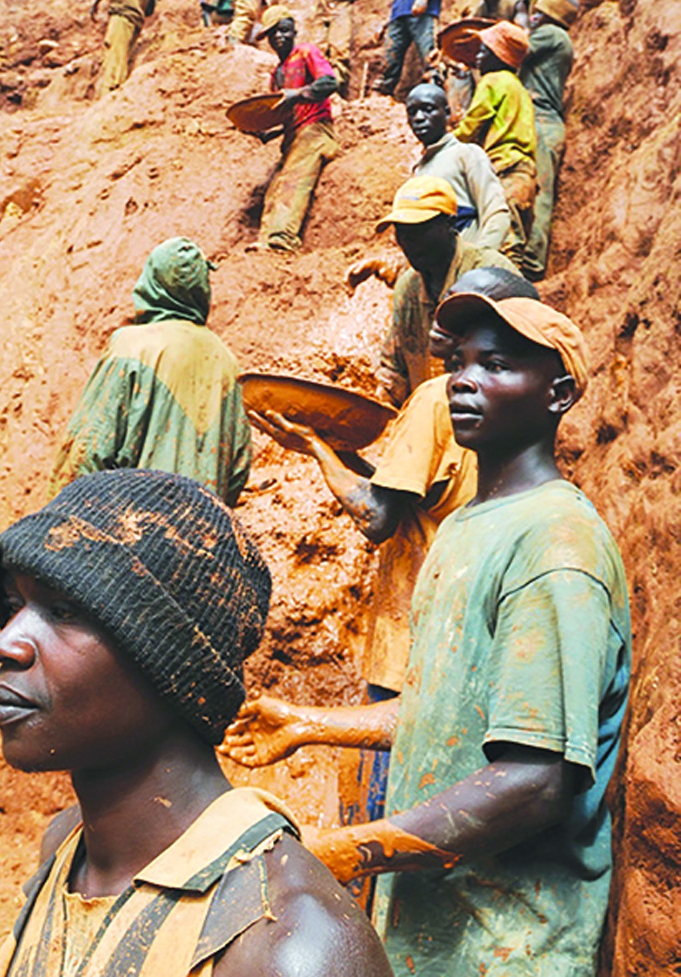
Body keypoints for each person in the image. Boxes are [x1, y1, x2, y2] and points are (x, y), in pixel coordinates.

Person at [224, 292, 630, 977]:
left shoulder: (557, 547)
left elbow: (535, 780)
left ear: (557, 394)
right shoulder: (468, 528)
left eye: (496, 364)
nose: (463, 380)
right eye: (458, 362)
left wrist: (346, 850)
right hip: (436, 934)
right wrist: (308, 722)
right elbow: (454, 711)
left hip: (509, 944)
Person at [0, 469, 394, 977]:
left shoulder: (289, 946)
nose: (5, 642)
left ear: (172, 665)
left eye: (63, 610)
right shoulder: (69, 854)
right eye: (14, 605)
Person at [238, 266, 540, 826]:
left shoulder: (436, 398)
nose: (442, 313)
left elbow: (377, 515)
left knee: (384, 817)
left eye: (465, 311)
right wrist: (335, 453)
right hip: (467, 647)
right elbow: (407, 493)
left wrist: (314, 449)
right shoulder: (508, 411)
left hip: (410, 648)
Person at [50, 238, 251, 503]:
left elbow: (87, 451)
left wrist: (57, 520)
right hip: (201, 533)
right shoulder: (227, 361)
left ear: (152, 283)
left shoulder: (130, 346)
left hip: (130, 530)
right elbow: (238, 468)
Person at [347, 174, 516, 406]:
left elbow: (523, 367)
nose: (408, 241)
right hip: (430, 426)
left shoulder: (491, 275)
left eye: (418, 230)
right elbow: (394, 367)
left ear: (449, 224)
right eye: (401, 231)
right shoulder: (408, 288)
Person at [254, 6, 339, 252]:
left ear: (294, 31)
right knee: (274, 188)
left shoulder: (306, 52)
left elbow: (330, 82)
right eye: (273, 34)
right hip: (293, 137)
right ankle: (266, 240)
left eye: (284, 31)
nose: (279, 37)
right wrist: (266, 133)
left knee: (293, 181)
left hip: (315, 130)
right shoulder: (276, 74)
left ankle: (283, 239)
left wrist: (297, 94)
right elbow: (286, 115)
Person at [454, 21, 537, 268]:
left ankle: (507, 292)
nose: (477, 57)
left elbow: (473, 124)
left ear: (498, 55)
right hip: (525, 171)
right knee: (516, 239)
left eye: (483, 51)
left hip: (503, 167)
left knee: (503, 239)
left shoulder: (492, 81)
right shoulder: (519, 89)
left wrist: (446, 144)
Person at [405, 83, 510, 250]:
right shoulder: (419, 170)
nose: (418, 117)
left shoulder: (466, 154)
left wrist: (480, 260)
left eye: (428, 109)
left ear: (447, 113)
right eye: (412, 112)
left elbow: (496, 213)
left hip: (468, 261)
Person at [520, 0, 580, 279]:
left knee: (540, 192)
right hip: (544, 121)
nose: (533, 18)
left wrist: (517, 23)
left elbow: (516, 49)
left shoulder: (551, 35)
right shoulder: (561, 40)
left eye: (537, 13)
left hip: (541, 121)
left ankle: (532, 263)